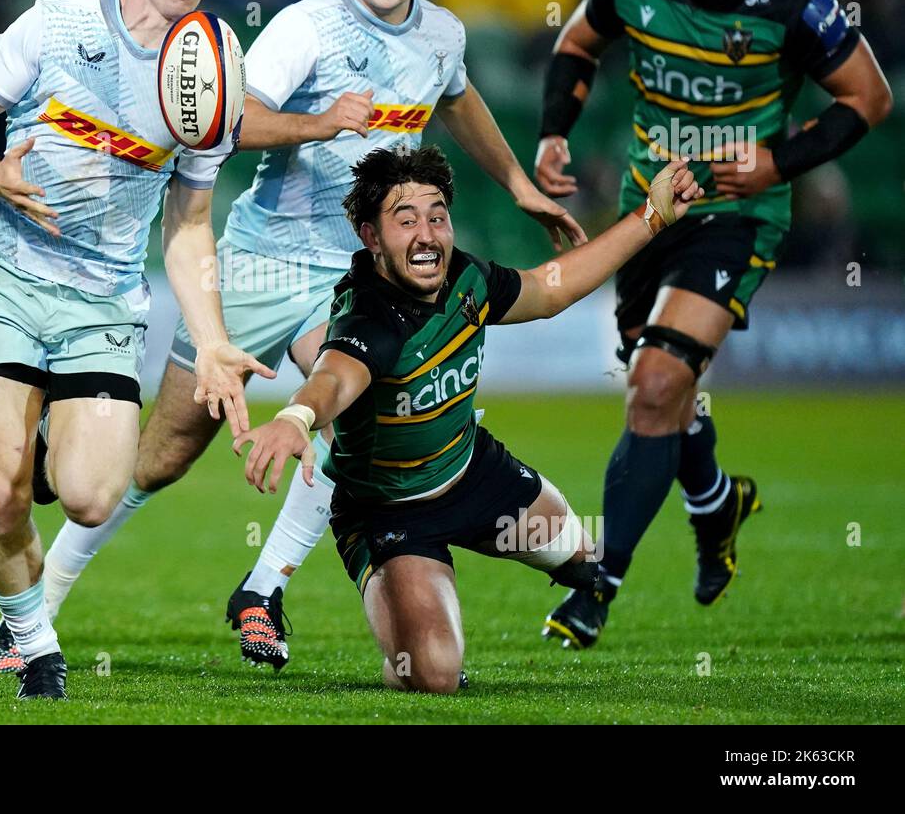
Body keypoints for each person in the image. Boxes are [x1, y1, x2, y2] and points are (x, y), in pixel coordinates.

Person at [29, 0, 587, 671]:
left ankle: (262, 587)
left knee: (351, 420)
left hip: (353, 278)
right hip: (260, 261)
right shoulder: (307, 28)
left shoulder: (441, 33)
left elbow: (458, 99)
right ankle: (34, 610)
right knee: (162, 456)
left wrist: (518, 182)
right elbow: (229, 120)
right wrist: (324, 120)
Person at [532, 0, 892, 648]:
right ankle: (717, 502)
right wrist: (555, 130)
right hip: (649, 212)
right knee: (665, 388)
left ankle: (600, 582)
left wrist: (777, 160)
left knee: (657, 381)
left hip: (738, 214)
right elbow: (578, 43)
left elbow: (870, 98)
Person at [0, 0, 273, 699]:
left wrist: (217, 339)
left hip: (104, 300)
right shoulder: (53, 29)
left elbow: (189, 225)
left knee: (89, 498)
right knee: (4, 487)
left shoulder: (215, 72)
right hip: (5, 273)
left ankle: (54, 437)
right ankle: (33, 640)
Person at [233, 144, 701, 692]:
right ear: (371, 238)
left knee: (583, 563)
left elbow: (551, 290)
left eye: (437, 216)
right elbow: (335, 376)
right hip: (390, 513)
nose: (427, 234)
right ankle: (401, 626)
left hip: (474, 474)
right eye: (405, 221)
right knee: (432, 675)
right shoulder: (368, 315)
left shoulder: (467, 279)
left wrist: (652, 218)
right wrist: (295, 416)